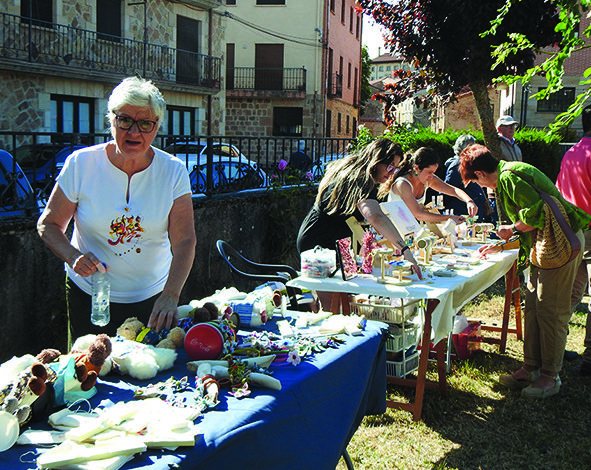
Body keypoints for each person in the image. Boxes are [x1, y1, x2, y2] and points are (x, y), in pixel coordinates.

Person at [37, 77, 196, 342]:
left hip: (152, 298)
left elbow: (185, 240)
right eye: (125, 120)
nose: (134, 132)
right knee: (87, 374)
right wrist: (73, 257)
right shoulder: (82, 163)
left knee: (150, 377)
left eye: (146, 123)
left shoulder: (173, 171)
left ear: (157, 128)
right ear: (111, 120)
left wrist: (171, 294)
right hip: (90, 296)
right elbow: (49, 224)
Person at [459, 144, 590, 398]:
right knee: (533, 306)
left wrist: (511, 229)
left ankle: (551, 377)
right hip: (547, 246)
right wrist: (503, 244)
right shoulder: (508, 174)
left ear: (480, 174)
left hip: (560, 244)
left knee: (550, 310)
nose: (480, 187)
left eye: (475, 181)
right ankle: (531, 367)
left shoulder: (508, 176)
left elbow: (536, 214)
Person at [297, 138, 422, 280]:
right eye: (390, 166)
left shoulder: (358, 172)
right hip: (319, 241)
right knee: (329, 297)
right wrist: (405, 250)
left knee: (346, 296)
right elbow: (376, 217)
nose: (392, 172)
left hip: (337, 241)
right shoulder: (361, 179)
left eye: (395, 168)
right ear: (377, 159)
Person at [556, 104, 591, 376]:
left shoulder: (571, 152)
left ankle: (555, 347)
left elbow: (559, 191)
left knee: (571, 294)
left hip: (573, 231)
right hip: (587, 229)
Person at [380, 147, 478, 224]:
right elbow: (418, 214)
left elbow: (453, 190)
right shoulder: (402, 184)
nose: (432, 176)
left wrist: (469, 201)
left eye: (433, 172)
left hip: (410, 230)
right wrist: (449, 218)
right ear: (417, 168)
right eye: (429, 172)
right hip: (392, 231)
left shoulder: (428, 180)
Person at [443, 135, 489, 220]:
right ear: (462, 149)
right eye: (471, 146)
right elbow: (447, 189)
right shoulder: (457, 166)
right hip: (462, 211)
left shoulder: (472, 164)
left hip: (475, 209)